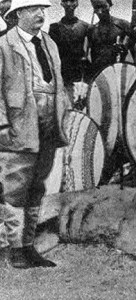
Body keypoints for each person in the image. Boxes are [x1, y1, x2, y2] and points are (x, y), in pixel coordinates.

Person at [0, 0, 71, 268]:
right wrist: (3, 126)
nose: (41, 13)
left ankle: (28, 247)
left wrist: (63, 114)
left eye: (43, 8)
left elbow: (58, 83)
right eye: (33, 9)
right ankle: (16, 250)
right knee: (15, 190)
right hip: (19, 127)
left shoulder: (49, 43)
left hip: (48, 128)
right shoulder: (4, 45)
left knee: (36, 188)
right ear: (18, 14)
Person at [49, 0, 90, 104]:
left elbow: (90, 51)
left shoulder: (85, 27)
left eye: (72, 1)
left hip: (80, 73)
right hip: (62, 72)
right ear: (61, 4)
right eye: (65, 1)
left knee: (80, 103)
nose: (69, 4)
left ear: (76, 3)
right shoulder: (54, 28)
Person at [87, 0, 132, 79]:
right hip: (99, 75)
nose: (100, 11)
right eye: (97, 8)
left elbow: (134, 51)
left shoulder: (123, 25)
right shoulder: (92, 30)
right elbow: (92, 55)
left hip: (119, 73)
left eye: (103, 7)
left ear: (110, 5)